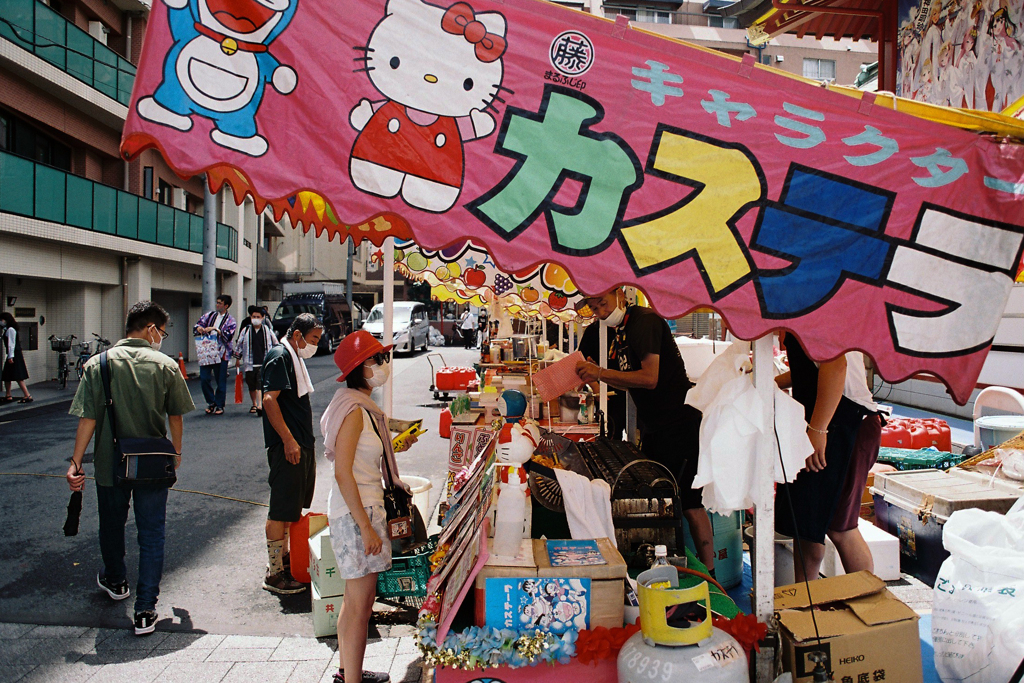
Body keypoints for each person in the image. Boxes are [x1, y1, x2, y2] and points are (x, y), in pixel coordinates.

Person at [65, 301, 195, 635]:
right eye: (162, 332)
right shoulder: (165, 365)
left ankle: (116, 580)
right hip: (153, 463)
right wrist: (176, 453)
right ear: (151, 328)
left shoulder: (98, 364)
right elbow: (176, 416)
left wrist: (76, 464)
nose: (162, 338)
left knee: (111, 525)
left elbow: (88, 419)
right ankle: (145, 610)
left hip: (111, 465)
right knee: (152, 534)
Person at [574, 288, 716, 574]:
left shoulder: (644, 322)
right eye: (594, 308)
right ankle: (665, 564)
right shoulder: (620, 332)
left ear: (621, 293)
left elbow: (650, 378)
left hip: (680, 424)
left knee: (688, 502)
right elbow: (631, 383)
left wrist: (600, 373)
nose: (600, 312)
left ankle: (711, 574)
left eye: (603, 304)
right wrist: (595, 378)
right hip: (654, 427)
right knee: (657, 496)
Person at [320, 330, 416, 683]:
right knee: (361, 608)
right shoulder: (355, 411)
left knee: (353, 600)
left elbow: (360, 459)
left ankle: (349, 672)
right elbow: (343, 472)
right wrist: (364, 526)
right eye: (376, 360)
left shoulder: (359, 406)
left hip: (358, 512)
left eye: (383, 358)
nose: (382, 365)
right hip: (359, 514)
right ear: (358, 369)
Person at [773, 333, 872, 582]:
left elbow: (835, 366)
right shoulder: (804, 311)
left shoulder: (813, 311)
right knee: (806, 524)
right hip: (827, 422)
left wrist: (818, 429)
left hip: (845, 424)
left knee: (841, 527)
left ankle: (871, 607)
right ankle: (806, 604)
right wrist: (772, 381)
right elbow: (811, 369)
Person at [261, 312, 323, 594]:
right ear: (297, 335)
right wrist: (288, 440)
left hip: (300, 443)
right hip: (289, 445)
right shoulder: (280, 355)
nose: (316, 345)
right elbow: (268, 400)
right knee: (280, 508)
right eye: (313, 339)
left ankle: (284, 560)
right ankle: (274, 573)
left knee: (291, 508)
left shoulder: (293, 356)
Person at [193, 294, 237, 416]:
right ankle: (211, 401)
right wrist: (200, 329)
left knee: (220, 380)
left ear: (226, 306)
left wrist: (216, 330)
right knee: (204, 378)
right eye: (217, 302)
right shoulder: (210, 315)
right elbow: (198, 325)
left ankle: (219, 404)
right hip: (207, 351)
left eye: (220, 303)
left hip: (221, 353)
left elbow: (228, 336)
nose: (217, 305)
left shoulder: (230, 320)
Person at [234, 306, 278, 416]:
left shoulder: (267, 330)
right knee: (251, 384)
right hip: (249, 362)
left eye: (258, 316)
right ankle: (254, 403)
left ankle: (259, 405)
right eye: (254, 316)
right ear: (250, 317)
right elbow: (239, 344)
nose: (256, 318)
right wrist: (237, 358)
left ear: (263, 318)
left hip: (263, 361)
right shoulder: (246, 330)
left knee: (260, 383)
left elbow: (275, 343)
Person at [1, 312, 32, 404]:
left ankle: (27, 395)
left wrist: (10, 356)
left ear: (6, 320)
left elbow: (11, 344)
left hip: (14, 355)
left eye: (1, 320)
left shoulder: (11, 330)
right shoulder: (8, 329)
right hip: (14, 354)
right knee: (7, 376)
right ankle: (8, 395)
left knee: (18, 376)